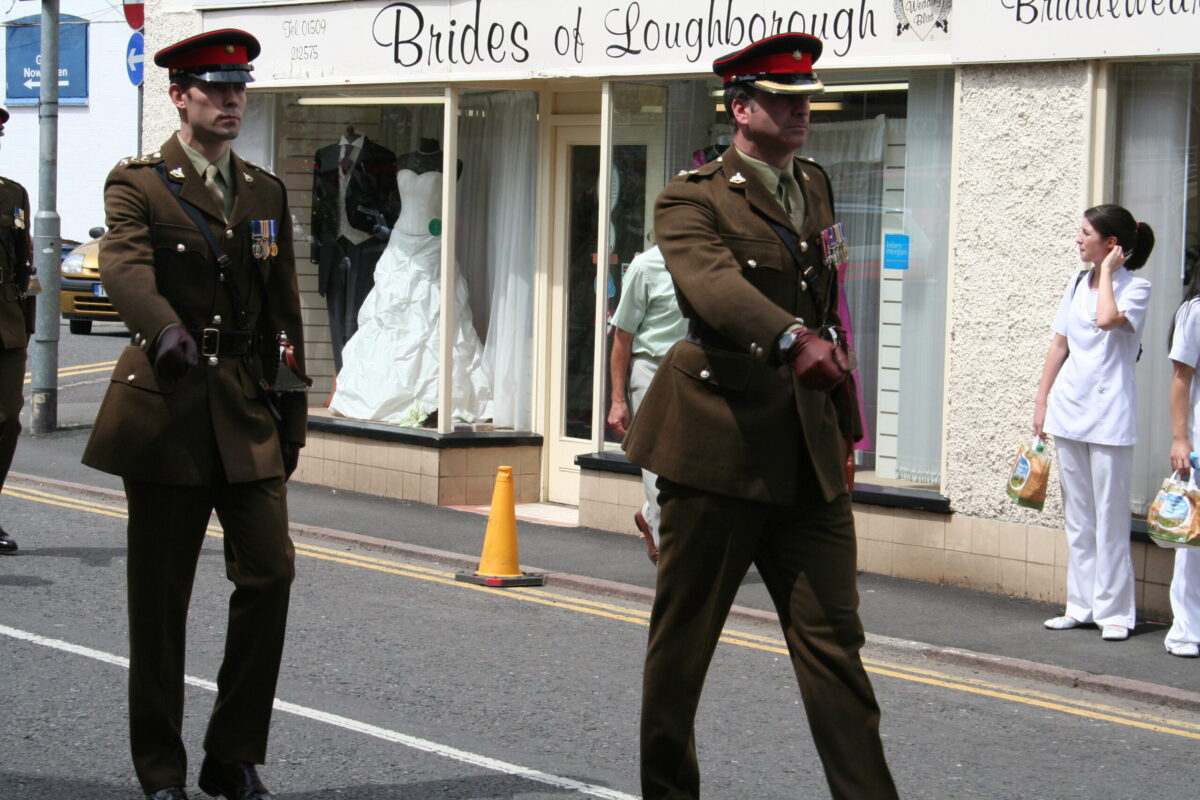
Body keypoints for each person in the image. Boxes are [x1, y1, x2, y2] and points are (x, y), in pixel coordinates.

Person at [624, 33, 898, 800]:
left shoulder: (813, 183)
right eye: (783, 98)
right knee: (683, 654)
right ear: (742, 109)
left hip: (807, 455)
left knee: (835, 648)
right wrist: (790, 337)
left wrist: (846, 423)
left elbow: (827, 304)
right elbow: (714, 287)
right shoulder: (691, 198)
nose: (801, 109)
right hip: (716, 448)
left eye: (806, 96)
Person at [81, 29, 307, 800]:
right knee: (161, 601)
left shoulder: (266, 192)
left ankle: (231, 754)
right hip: (168, 411)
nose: (232, 100)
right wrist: (162, 325)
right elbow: (124, 263)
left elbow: (281, 312)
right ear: (179, 95)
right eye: (216, 89)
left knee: (271, 572)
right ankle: (162, 772)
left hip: (246, 411)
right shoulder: (139, 182)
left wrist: (293, 404)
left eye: (240, 88)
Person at [1033, 204, 1153, 642]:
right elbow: (1059, 344)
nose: (1078, 239)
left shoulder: (1136, 287)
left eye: (1086, 233)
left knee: (1110, 516)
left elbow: (1106, 320)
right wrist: (1042, 401)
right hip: (1070, 411)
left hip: (1110, 417)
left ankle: (1116, 612)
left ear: (1111, 244)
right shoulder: (1074, 282)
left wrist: (1106, 274)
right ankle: (1079, 605)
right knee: (1079, 517)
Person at [329, 148, 492, 427]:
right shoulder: (402, 159)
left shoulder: (454, 161)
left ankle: (436, 399)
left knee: (433, 308)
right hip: (402, 238)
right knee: (391, 308)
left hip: (432, 239)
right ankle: (377, 394)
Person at [607, 244, 687, 564]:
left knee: (689, 467)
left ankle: (649, 517)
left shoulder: (709, 262)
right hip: (652, 370)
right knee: (657, 464)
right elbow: (622, 338)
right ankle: (673, 559)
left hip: (694, 375)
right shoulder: (645, 267)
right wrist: (617, 400)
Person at [311, 127, 399, 372]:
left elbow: (389, 205)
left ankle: (360, 377)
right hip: (332, 243)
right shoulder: (325, 154)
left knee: (363, 313)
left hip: (368, 243)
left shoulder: (382, 156)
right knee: (336, 315)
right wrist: (316, 249)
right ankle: (341, 379)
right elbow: (316, 204)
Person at [0, 106, 33, 556]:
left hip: (5, 323)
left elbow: (23, 266)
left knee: (6, 421)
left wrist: (25, 326)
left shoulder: (13, 194)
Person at [1163, 266, 1200, 658]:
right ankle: (1185, 632)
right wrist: (1180, 438)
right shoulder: (1195, 311)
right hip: (1199, 443)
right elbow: (1181, 378)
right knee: (1193, 543)